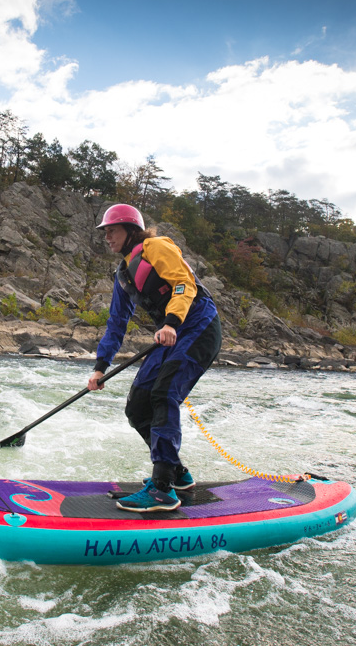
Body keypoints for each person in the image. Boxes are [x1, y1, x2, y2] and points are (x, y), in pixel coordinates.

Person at [88, 203, 222, 512]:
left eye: (113, 231)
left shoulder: (155, 246)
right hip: (170, 334)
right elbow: (116, 324)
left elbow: (182, 283)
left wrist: (172, 322)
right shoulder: (123, 274)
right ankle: (176, 473)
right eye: (105, 233)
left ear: (132, 230)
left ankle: (162, 490)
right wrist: (99, 368)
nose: (107, 238)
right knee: (137, 407)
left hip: (197, 325)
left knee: (163, 393)